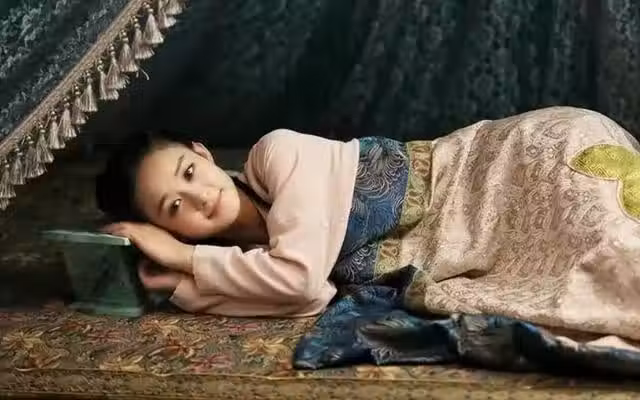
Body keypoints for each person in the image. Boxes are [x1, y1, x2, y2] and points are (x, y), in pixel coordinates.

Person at [96, 106, 640, 342]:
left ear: (202, 152)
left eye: (189, 172)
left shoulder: (277, 154)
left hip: (513, 164)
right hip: (490, 239)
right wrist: (183, 285)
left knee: (613, 243)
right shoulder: (248, 261)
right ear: (169, 227)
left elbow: (299, 281)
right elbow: (307, 299)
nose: (199, 196)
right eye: (174, 208)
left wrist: (184, 258)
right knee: (580, 277)